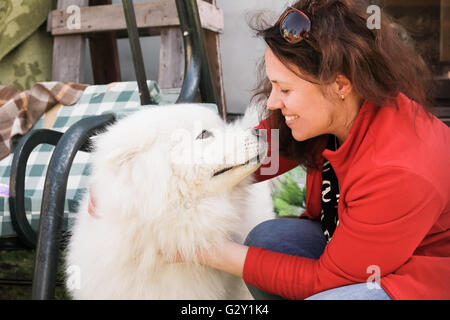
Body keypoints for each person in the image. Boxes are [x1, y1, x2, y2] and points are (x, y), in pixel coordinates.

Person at [89, 0, 450, 300]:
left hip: (423, 278)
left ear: (340, 85)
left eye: (286, 90)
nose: (274, 102)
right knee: (270, 241)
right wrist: (126, 180)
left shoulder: (399, 168)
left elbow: (327, 280)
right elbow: (248, 156)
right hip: (365, 249)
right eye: (274, 85)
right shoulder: (336, 114)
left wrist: (206, 251)